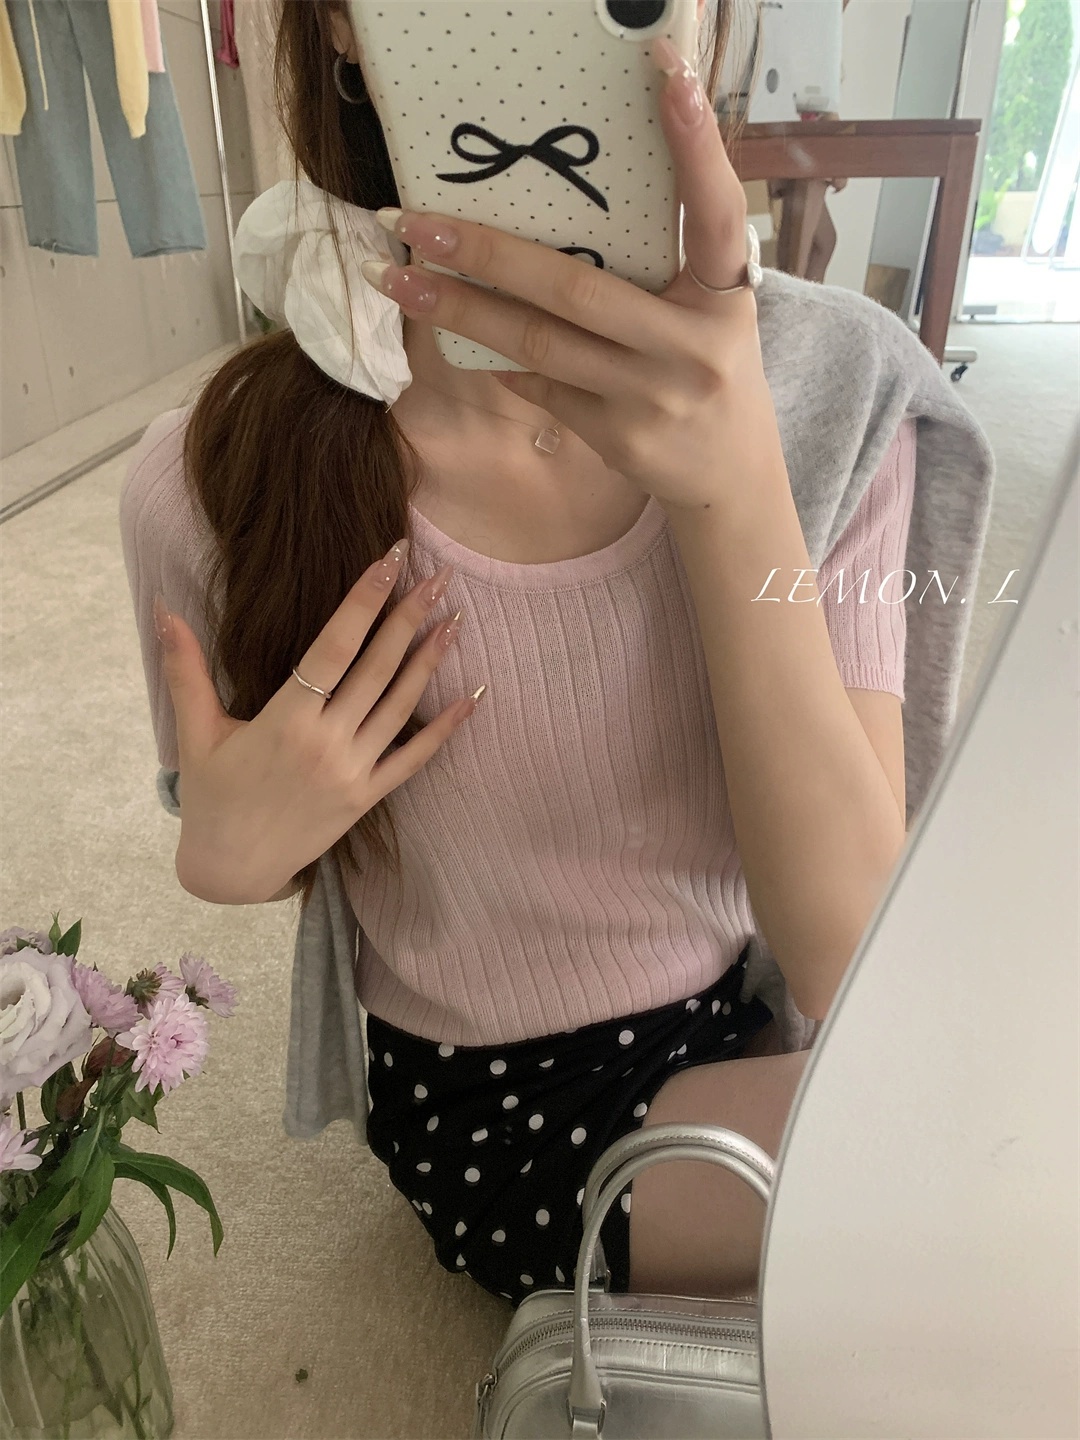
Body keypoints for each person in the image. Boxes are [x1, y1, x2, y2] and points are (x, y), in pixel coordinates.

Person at [119, 0, 978, 1311]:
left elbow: (843, 957)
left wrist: (737, 484)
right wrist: (226, 860)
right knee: (970, 1175)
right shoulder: (212, 485)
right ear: (342, 21)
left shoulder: (840, 397)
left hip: (761, 1019)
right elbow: (241, 821)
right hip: (503, 1107)